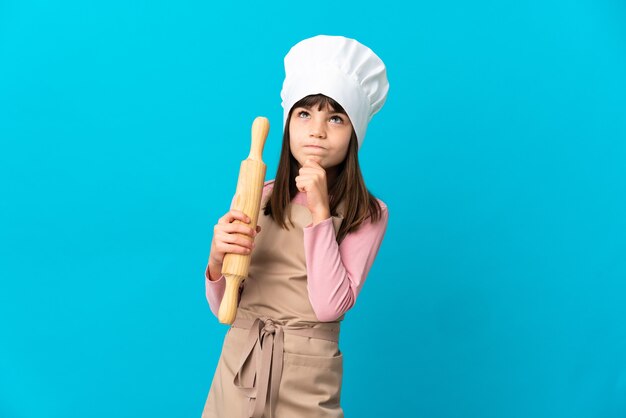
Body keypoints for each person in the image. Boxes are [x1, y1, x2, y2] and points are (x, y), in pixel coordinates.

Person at [201, 34, 390, 418]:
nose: (317, 130)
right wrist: (217, 261)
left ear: (354, 133)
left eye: (334, 118)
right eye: (304, 114)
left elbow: (328, 306)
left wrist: (321, 215)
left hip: (307, 374)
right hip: (241, 363)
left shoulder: (367, 213)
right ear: (288, 124)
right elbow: (226, 308)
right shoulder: (259, 194)